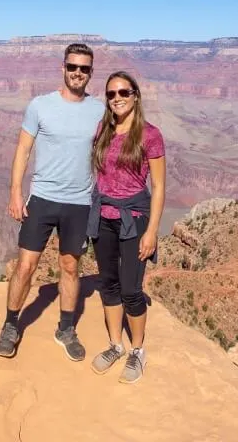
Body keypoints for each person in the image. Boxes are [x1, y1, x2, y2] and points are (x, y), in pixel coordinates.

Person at [0, 43, 106, 361]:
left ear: (90, 73)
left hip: (79, 202)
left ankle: (66, 328)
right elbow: (22, 149)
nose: (78, 73)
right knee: (26, 265)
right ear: (63, 68)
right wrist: (15, 192)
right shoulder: (40, 106)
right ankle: (10, 325)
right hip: (42, 199)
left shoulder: (99, 111)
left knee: (70, 267)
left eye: (84, 69)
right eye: (73, 67)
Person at [85, 71, 165, 384]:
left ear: (135, 96)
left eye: (123, 92)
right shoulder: (102, 129)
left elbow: (158, 186)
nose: (117, 98)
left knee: (132, 289)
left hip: (135, 218)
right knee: (109, 283)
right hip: (103, 217)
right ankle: (115, 345)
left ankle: (137, 350)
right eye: (111, 94)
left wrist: (152, 230)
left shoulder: (150, 134)